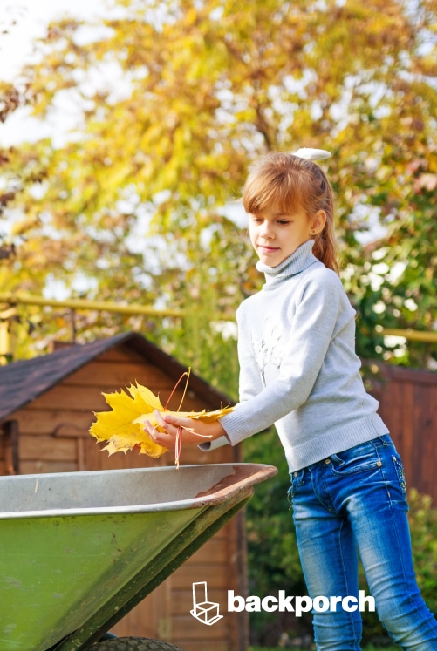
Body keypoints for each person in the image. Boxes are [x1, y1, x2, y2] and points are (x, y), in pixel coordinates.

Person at [148, 150, 437, 650]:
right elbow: (255, 401)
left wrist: (218, 427)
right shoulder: (250, 311)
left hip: (363, 464)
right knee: (331, 629)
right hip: (308, 479)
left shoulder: (320, 286)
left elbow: (296, 385)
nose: (266, 232)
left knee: (396, 608)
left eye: (283, 221)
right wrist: (195, 429)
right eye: (258, 219)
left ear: (314, 224)